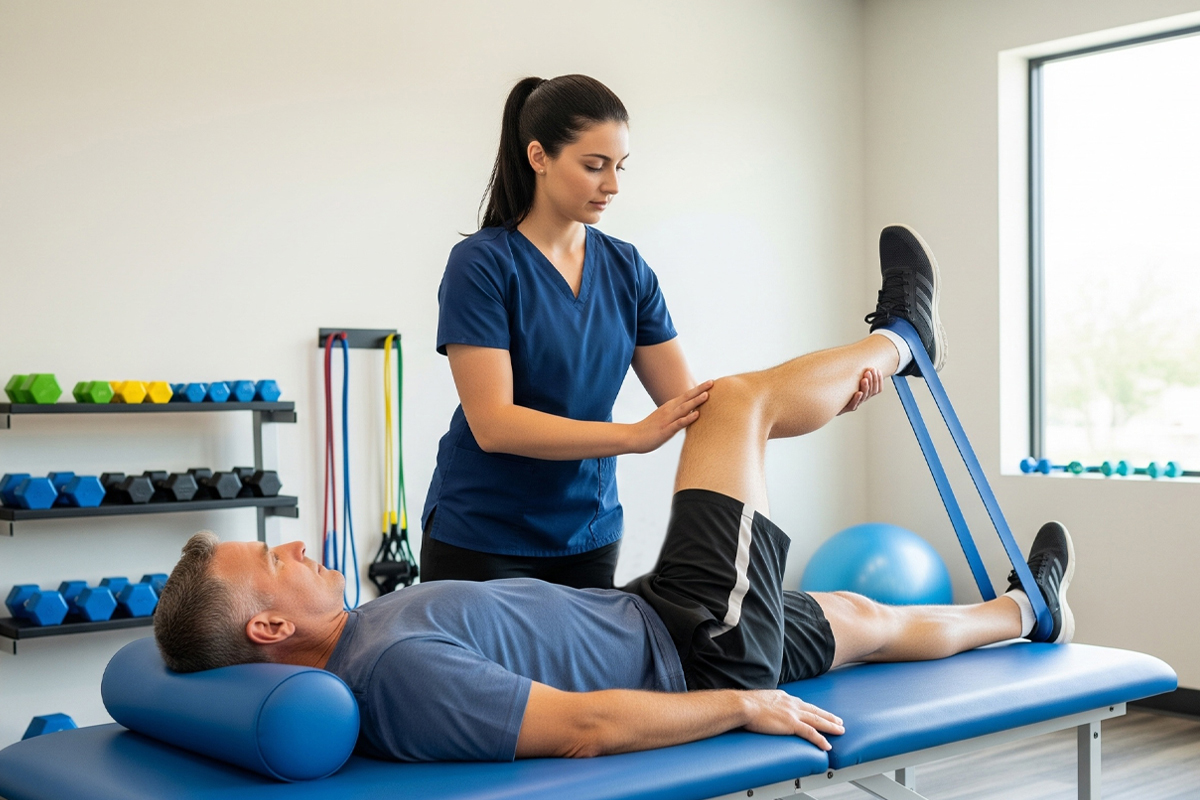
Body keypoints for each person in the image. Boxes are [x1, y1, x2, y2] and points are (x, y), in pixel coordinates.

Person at [154, 226, 1074, 764]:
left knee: (863, 615)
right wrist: (740, 706)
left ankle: (1027, 615)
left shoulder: (364, 638)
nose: (303, 548)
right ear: (268, 629)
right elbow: (582, 726)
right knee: (741, 402)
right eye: (277, 561)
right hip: (691, 647)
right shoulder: (392, 670)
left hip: (653, 620)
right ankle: (906, 340)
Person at [420, 74, 881, 588]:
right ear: (538, 157)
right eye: (594, 166)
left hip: (587, 535)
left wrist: (826, 400)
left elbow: (696, 406)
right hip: (482, 536)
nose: (612, 185)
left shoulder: (626, 269)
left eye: (619, 167)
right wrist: (634, 436)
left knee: (584, 672)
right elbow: (494, 424)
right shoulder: (481, 264)